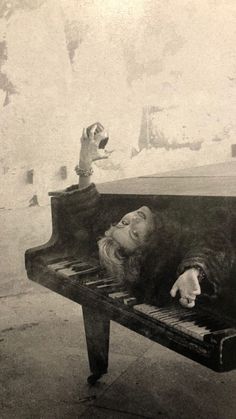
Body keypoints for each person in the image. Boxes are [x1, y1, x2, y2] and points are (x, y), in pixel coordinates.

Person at [73, 122, 235, 313]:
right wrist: (194, 270)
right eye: (135, 234)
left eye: (124, 222)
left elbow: (88, 215)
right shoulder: (169, 247)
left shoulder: (135, 228)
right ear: (148, 246)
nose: (133, 220)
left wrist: (85, 162)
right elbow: (212, 242)